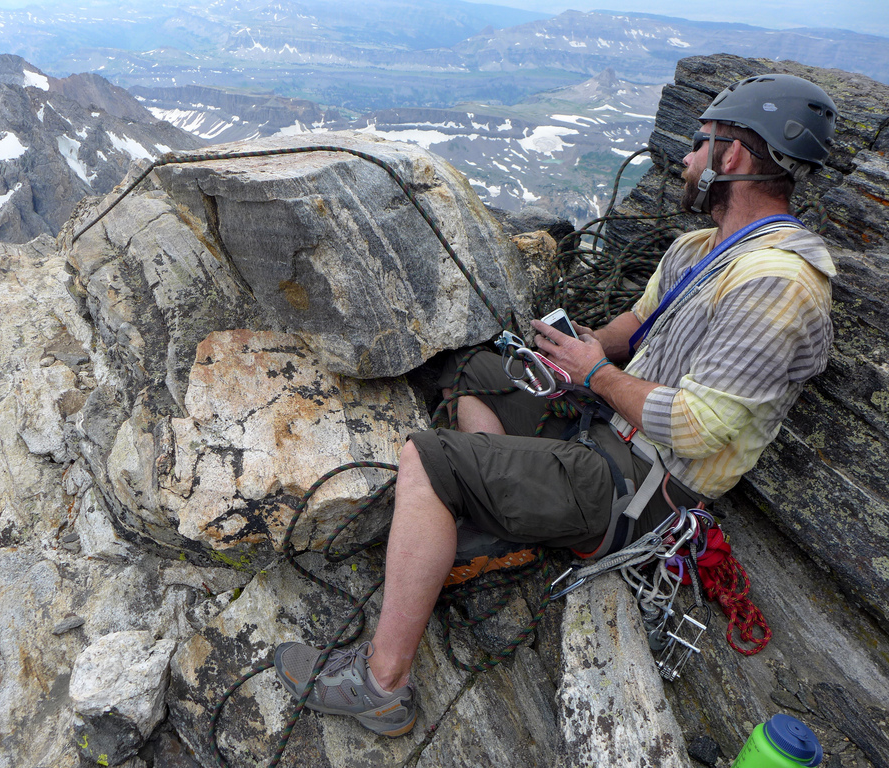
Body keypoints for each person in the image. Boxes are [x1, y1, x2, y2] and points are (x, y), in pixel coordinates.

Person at [271, 73, 839, 737]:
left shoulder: (777, 284)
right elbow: (634, 323)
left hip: (642, 488)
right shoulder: (702, 249)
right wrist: (577, 352)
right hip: (605, 433)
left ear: (732, 157)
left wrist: (594, 374)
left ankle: (381, 684)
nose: (685, 160)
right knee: (471, 368)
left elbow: (700, 427)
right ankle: (496, 506)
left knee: (426, 460)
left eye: (698, 144)